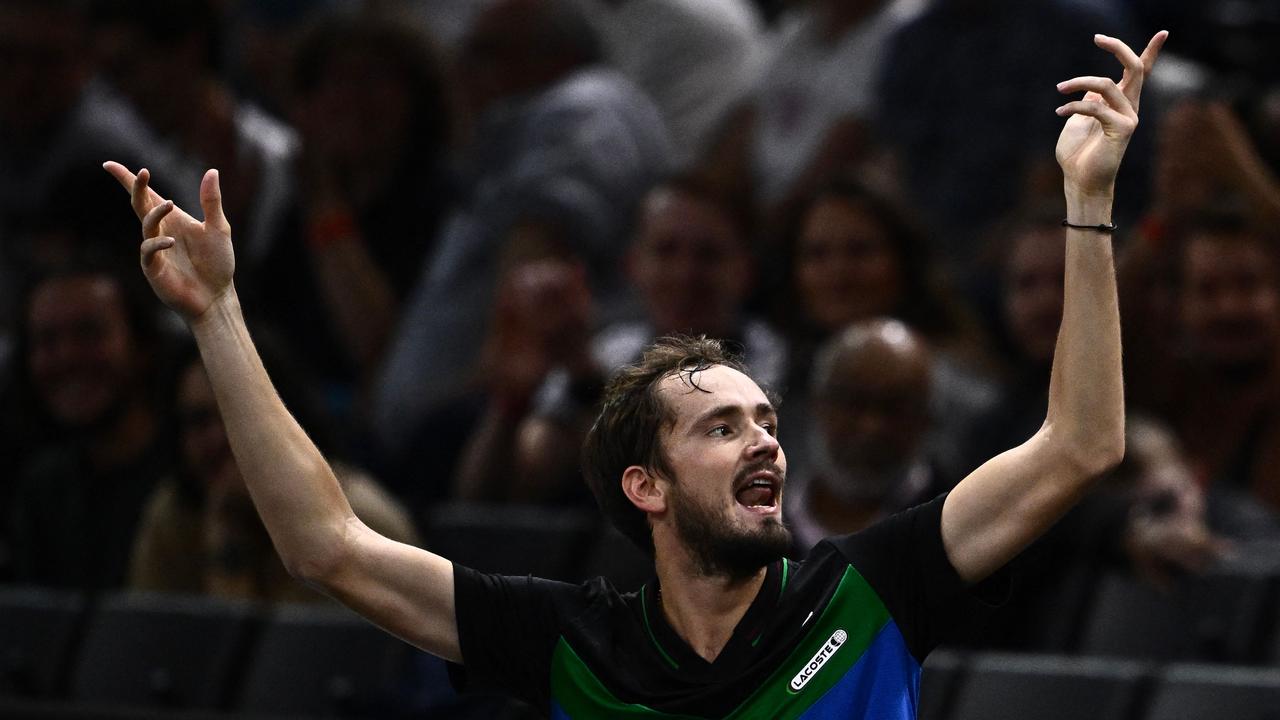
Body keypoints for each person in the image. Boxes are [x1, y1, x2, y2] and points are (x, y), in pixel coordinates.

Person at [105, 30, 1163, 718]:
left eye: (764, 421)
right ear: (643, 486)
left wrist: (1085, 203)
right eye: (720, 427)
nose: (763, 441)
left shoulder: (867, 594)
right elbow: (325, 546)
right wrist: (219, 315)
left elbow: (1078, 446)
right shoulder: (570, 644)